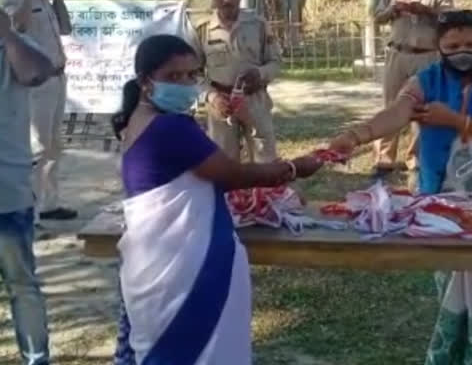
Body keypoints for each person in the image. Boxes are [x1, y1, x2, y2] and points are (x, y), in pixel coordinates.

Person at [330, 10, 472, 364]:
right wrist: (356, 136)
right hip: (444, 208)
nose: (463, 51)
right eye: (453, 44)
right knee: (455, 285)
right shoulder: (426, 80)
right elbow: (397, 113)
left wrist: (456, 120)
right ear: (438, 46)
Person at [110, 34, 322, 364]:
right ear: (145, 81)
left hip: (157, 262)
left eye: (191, 75)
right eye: (173, 77)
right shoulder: (171, 129)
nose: (185, 84)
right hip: (189, 268)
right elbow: (231, 175)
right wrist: (293, 167)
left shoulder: (138, 120)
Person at [0, 4, 53, 364]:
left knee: (22, 286)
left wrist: (5, 34)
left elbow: (39, 72)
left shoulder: (14, 46)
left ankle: (36, 358)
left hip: (8, 193)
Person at [373, 0, 454, 176]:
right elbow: (377, 18)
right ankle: (384, 159)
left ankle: (416, 159)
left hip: (426, 55)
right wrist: (392, 10)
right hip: (397, 54)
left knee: (421, 109)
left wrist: (428, 11)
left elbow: (451, 19)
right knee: (391, 106)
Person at [186, 0, 281, 163]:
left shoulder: (257, 24)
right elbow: (192, 73)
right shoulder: (202, 29)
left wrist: (260, 74)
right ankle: (231, 195)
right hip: (220, 104)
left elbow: (276, 62)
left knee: (265, 159)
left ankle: (264, 193)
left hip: (255, 100)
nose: (227, 0)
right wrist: (211, 97)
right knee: (224, 161)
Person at [12, 0, 77, 221]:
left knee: (54, 146)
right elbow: (18, 26)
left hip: (57, 78)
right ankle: (30, 208)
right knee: (37, 147)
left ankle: (50, 202)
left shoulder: (46, 1)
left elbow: (66, 28)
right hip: (37, 84)